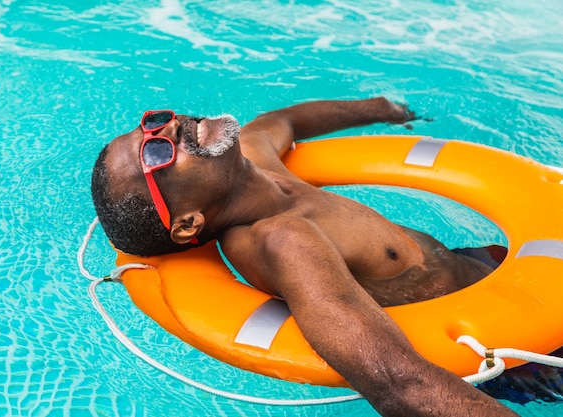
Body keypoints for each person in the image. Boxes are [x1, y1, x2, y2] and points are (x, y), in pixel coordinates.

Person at [91, 97, 519, 416]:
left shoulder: (258, 159)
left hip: (481, 266)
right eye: (156, 155)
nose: (166, 130)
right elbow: (398, 382)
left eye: (152, 124)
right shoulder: (283, 241)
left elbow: (286, 119)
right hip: (503, 344)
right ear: (187, 224)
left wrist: (387, 109)